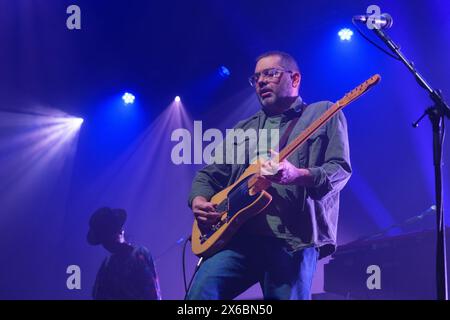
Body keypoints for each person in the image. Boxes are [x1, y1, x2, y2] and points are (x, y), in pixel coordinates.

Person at [186, 51, 352, 300]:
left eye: (270, 73)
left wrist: (297, 174)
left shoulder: (323, 113)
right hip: (238, 238)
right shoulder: (244, 128)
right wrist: (198, 200)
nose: (261, 81)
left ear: (295, 78)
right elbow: (209, 175)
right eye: (256, 78)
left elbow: (339, 169)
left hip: (292, 242)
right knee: (198, 298)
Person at [87, 207, 161, 300]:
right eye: (104, 240)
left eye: (110, 236)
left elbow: (152, 294)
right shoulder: (106, 265)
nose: (108, 243)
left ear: (120, 230)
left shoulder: (139, 254)